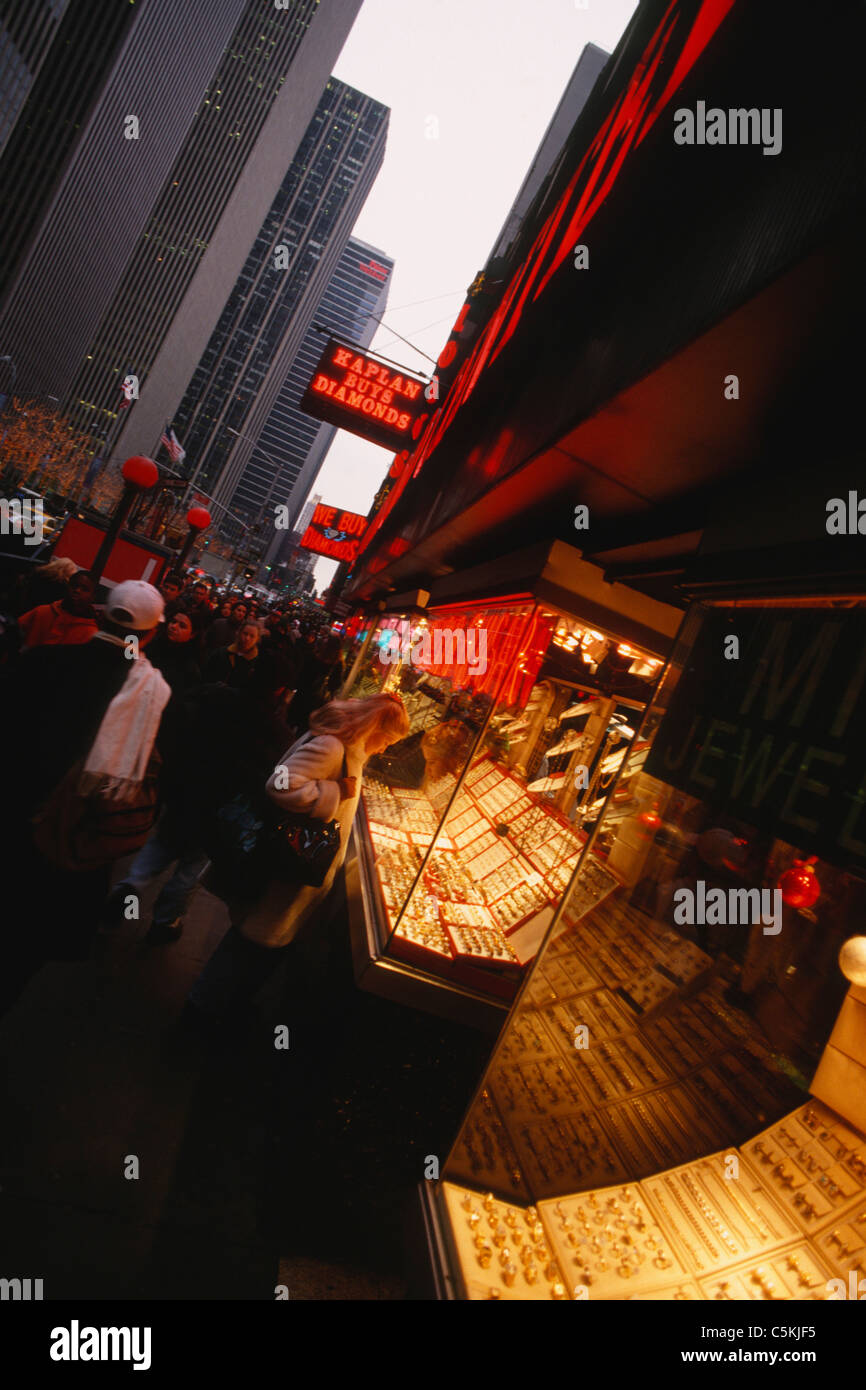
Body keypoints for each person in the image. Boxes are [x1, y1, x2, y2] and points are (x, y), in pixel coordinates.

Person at [186, 692, 410, 1023]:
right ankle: (199, 1012)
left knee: (261, 946)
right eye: (388, 740)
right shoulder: (335, 748)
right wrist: (333, 793)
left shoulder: (350, 748)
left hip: (297, 867)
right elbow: (279, 783)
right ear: (375, 727)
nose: (387, 748)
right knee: (248, 943)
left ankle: (228, 1005)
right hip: (287, 866)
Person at [0, 580, 170, 1014]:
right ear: (151, 634)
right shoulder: (149, 696)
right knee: (20, 958)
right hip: (65, 848)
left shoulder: (40, 661)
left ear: (99, 615)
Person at [17, 569, 98, 649]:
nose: (77, 590)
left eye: (84, 589)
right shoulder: (41, 612)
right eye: (74, 585)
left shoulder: (90, 635)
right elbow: (14, 632)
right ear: (67, 586)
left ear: (93, 597)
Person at [146, 609, 202, 694]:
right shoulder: (151, 640)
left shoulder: (189, 667)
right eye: (173, 621)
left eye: (182, 626)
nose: (174, 626)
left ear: (192, 635)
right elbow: (128, 659)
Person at [203, 619, 260, 689]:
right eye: (245, 634)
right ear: (239, 633)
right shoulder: (222, 652)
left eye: (252, 636)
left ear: (257, 639)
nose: (247, 638)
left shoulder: (257, 663)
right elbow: (207, 674)